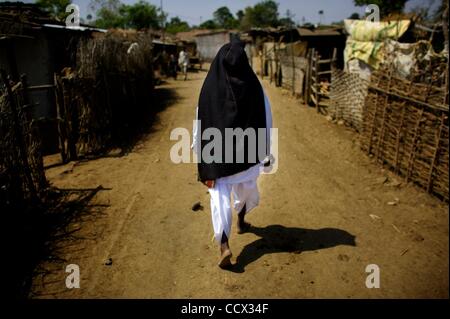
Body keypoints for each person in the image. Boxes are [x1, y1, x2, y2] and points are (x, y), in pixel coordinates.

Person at [192, 38, 273, 269]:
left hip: (216, 159)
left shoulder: (209, 88)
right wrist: (265, 150)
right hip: (247, 156)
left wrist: (200, 154)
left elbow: (200, 122)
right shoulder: (255, 86)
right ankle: (241, 220)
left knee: (218, 199)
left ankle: (224, 245)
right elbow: (267, 119)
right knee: (246, 189)